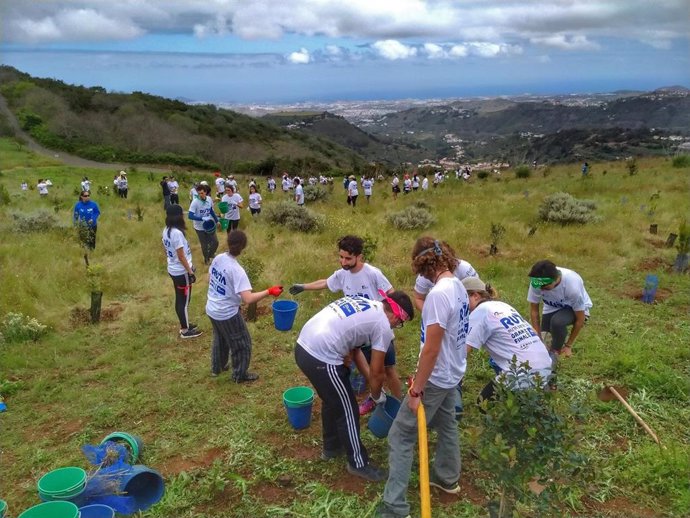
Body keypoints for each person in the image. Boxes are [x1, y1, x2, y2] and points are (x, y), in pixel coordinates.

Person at [379, 237, 469, 518]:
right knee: (447, 423)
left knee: (401, 435)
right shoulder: (459, 287)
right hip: (452, 374)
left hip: (435, 377)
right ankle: (447, 478)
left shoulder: (439, 295)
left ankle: (395, 507)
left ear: (422, 267)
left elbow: (431, 349)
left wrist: (417, 390)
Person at [295, 290, 413, 482]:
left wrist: (377, 390)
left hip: (304, 346)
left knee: (333, 399)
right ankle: (358, 463)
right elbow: (377, 372)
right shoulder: (382, 325)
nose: (395, 326)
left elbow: (356, 351)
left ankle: (332, 447)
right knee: (348, 409)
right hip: (321, 356)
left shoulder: (367, 305)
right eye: (398, 322)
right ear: (393, 314)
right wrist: (376, 395)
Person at [289, 235, 404, 408]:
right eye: (341, 257)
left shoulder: (373, 274)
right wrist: (304, 286)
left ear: (359, 256)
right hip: (358, 334)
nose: (343, 262)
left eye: (348, 258)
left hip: (378, 330)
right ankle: (374, 398)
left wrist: (390, 319)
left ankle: (399, 403)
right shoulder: (342, 275)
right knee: (364, 370)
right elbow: (326, 283)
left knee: (388, 368)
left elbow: (392, 295)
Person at [206, 230, 283, 381]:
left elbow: (210, 278)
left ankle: (217, 367)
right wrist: (269, 291)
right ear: (243, 247)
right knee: (242, 343)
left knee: (220, 338)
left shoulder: (219, 258)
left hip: (211, 308)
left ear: (228, 242)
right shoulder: (237, 270)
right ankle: (239, 375)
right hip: (227, 313)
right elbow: (248, 299)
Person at [463, 277, 552, 403]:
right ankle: (532, 395)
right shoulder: (502, 306)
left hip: (524, 372)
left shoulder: (480, 312)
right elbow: (533, 331)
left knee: (483, 404)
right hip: (546, 366)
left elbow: (463, 351)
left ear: (475, 295)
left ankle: (521, 397)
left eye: (462, 299)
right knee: (495, 361)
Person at [527, 260, 592, 358]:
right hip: (552, 306)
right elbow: (534, 310)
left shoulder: (572, 286)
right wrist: (538, 336)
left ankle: (554, 354)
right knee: (545, 337)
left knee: (557, 322)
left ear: (556, 279)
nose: (541, 289)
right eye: (539, 286)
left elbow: (580, 319)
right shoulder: (538, 282)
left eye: (545, 287)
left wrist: (568, 346)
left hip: (573, 308)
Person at [162, 204, 202, 339]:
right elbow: (181, 255)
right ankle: (185, 330)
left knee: (180, 299)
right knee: (184, 301)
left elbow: (168, 251)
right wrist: (190, 271)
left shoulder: (166, 230)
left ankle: (185, 324)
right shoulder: (177, 233)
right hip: (181, 273)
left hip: (174, 270)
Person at [412, 250, 478, 311]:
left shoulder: (464, 268)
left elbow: (479, 293)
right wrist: (430, 314)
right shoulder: (425, 274)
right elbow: (419, 298)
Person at [187, 183, 219, 265]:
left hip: (209, 224)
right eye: (198, 193)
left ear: (205, 192)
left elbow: (211, 210)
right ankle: (206, 259)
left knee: (215, 242)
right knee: (204, 244)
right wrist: (201, 218)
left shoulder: (209, 199)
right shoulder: (195, 202)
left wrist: (216, 220)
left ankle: (211, 254)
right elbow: (190, 216)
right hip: (199, 227)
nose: (200, 195)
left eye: (201, 193)